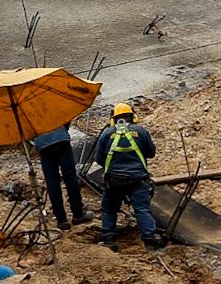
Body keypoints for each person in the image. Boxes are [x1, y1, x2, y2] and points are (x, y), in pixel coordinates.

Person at [96, 102, 163, 251]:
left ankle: (109, 239)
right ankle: (150, 241)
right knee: (142, 209)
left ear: (113, 118)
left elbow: (99, 159)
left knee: (109, 210)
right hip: (138, 179)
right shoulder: (141, 131)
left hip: (114, 181)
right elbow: (151, 153)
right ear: (132, 117)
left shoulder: (106, 134)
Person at [30, 118, 89, 228]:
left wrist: (36, 139)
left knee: (52, 182)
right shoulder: (54, 102)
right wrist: (63, 129)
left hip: (43, 145)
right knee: (71, 178)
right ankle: (78, 214)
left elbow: (26, 130)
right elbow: (67, 116)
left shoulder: (27, 109)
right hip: (61, 139)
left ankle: (61, 220)